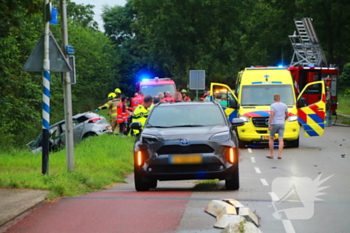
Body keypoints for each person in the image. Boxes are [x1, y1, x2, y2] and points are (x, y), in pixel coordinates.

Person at [267, 93, 288, 159]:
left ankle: (271, 154)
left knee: (271, 138)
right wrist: (284, 119)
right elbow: (287, 115)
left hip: (274, 124)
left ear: (274, 99)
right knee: (281, 139)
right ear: (280, 98)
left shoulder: (273, 105)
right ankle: (279, 155)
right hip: (281, 124)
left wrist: (269, 124)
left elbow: (272, 115)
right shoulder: (284, 105)